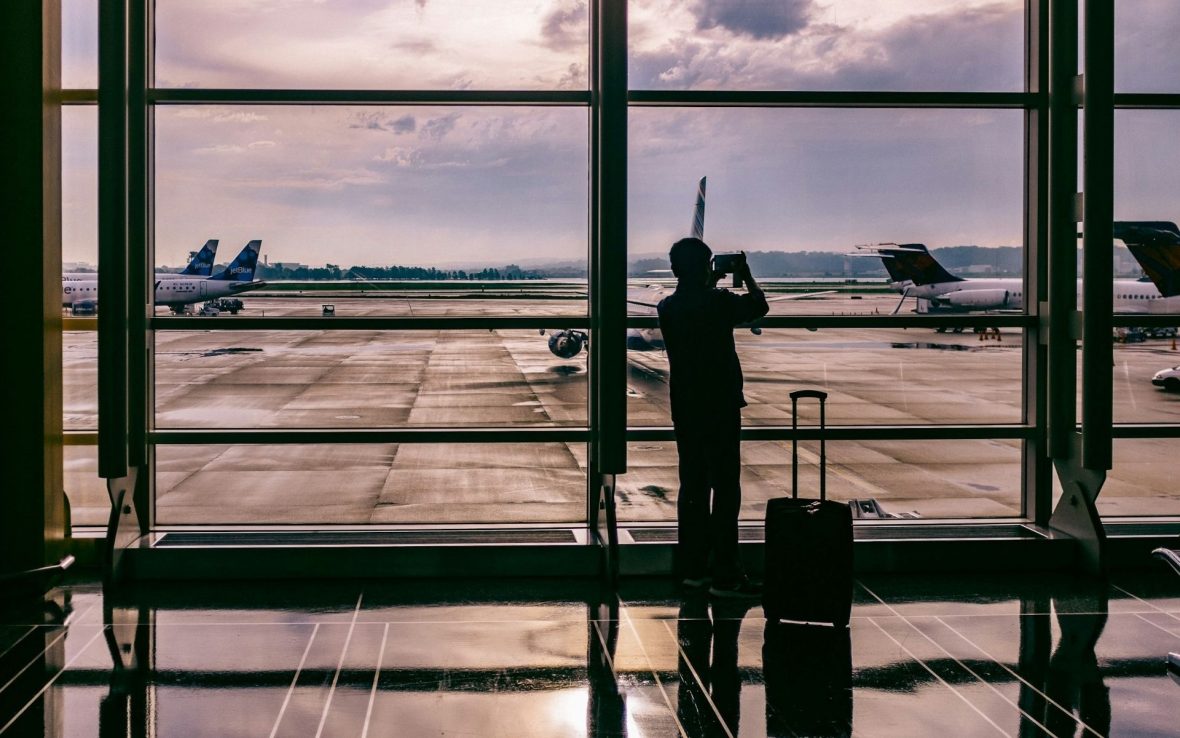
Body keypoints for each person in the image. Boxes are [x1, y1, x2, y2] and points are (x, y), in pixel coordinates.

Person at [657, 237, 769, 598]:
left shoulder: (667, 307)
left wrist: (708, 277)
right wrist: (745, 274)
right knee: (725, 488)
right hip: (720, 405)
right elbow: (758, 307)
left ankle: (693, 571)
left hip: (685, 407)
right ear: (707, 267)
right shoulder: (720, 302)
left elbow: (694, 299)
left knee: (692, 487)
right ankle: (726, 574)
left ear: (674, 269)